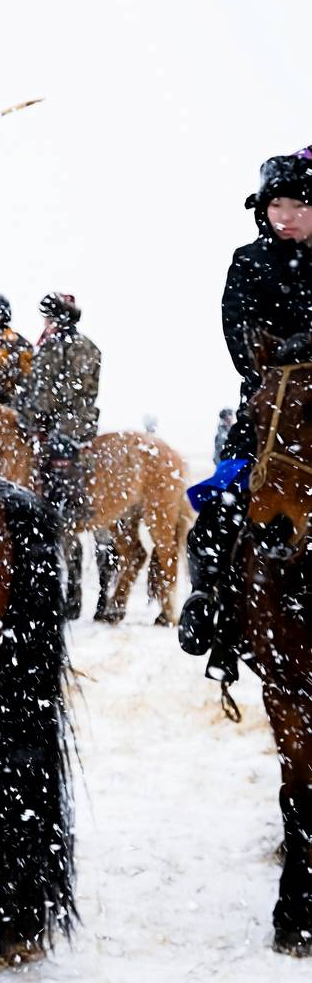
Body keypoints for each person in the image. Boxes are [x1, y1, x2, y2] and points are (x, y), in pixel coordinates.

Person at [180, 144, 312, 682]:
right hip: (268, 409)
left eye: (298, 205)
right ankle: (209, 599)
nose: (285, 216)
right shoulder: (250, 262)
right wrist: (278, 355)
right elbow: (237, 336)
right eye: (276, 205)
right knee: (224, 498)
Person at [14, 292, 101, 525]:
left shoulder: (82, 347)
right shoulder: (47, 346)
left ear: (61, 318)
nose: (45, 323)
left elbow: (69, 391)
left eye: (49, 318)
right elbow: (35, 384)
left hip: (73, 419)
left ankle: (66, 510)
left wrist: (37, 409)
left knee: (57, 450)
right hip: (48, 417)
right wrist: (21, 407)